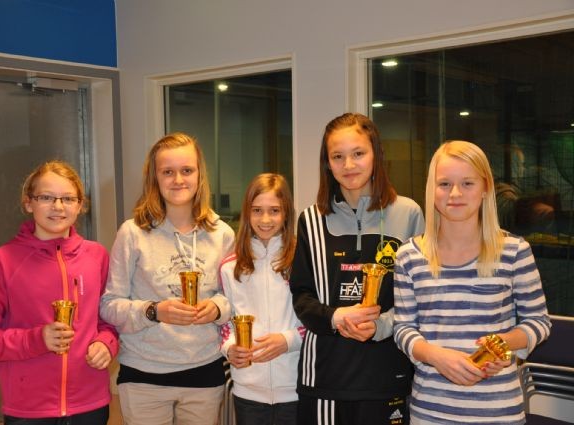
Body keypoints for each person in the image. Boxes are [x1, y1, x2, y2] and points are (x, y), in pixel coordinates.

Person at [393, 140, 551, 424]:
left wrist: (502, 343)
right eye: (444, 184)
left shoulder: (514, 251)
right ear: (432, 189)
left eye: (467, 183)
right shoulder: (409, 255)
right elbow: (403, 328)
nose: (455, 193)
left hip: (499, 411)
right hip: (430, 411)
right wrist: (436, 356)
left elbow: (538, 322)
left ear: (485, 187)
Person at [289, 112, 425, 425]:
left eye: (358, 153)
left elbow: (420, 300)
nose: (348, 165)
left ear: (376, 154)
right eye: (337, 156)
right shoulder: (311, 220)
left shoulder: (408, 214)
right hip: (326, 377)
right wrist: (336, 317)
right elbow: (302, 297)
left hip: (387, 376)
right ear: (327, 163)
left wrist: (380, 326)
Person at [0, 160, 119, 425]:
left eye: (68, 198)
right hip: (28, 409)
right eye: (46, 197)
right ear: (28, 203)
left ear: (80, 205)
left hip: (90, 404)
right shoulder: (3, 260)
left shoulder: (97, 256)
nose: (58, 206)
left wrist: (106, 343)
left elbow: (110, 320)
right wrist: (36, 339)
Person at [99, 132, 235, 425]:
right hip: (144, 375)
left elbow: (234, 300)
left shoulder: (222, 234)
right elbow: (109, 305)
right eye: (167, 172)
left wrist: (216, 308)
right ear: (154, 178)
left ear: (199, 175)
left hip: (205, 371)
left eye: (187, 170)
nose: (178, 180)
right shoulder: (132, 233)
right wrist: (154, 311)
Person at [219, 173, 305, 425]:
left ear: (286, 213)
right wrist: (229, 348)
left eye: (274, 210)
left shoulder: (304, 262)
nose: (265, 219)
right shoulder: (230, 267)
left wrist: (288, 340)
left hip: (296, 387)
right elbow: (224, 321)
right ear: (247, 212)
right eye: (257, 210)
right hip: (247, 389)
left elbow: (317, 318)